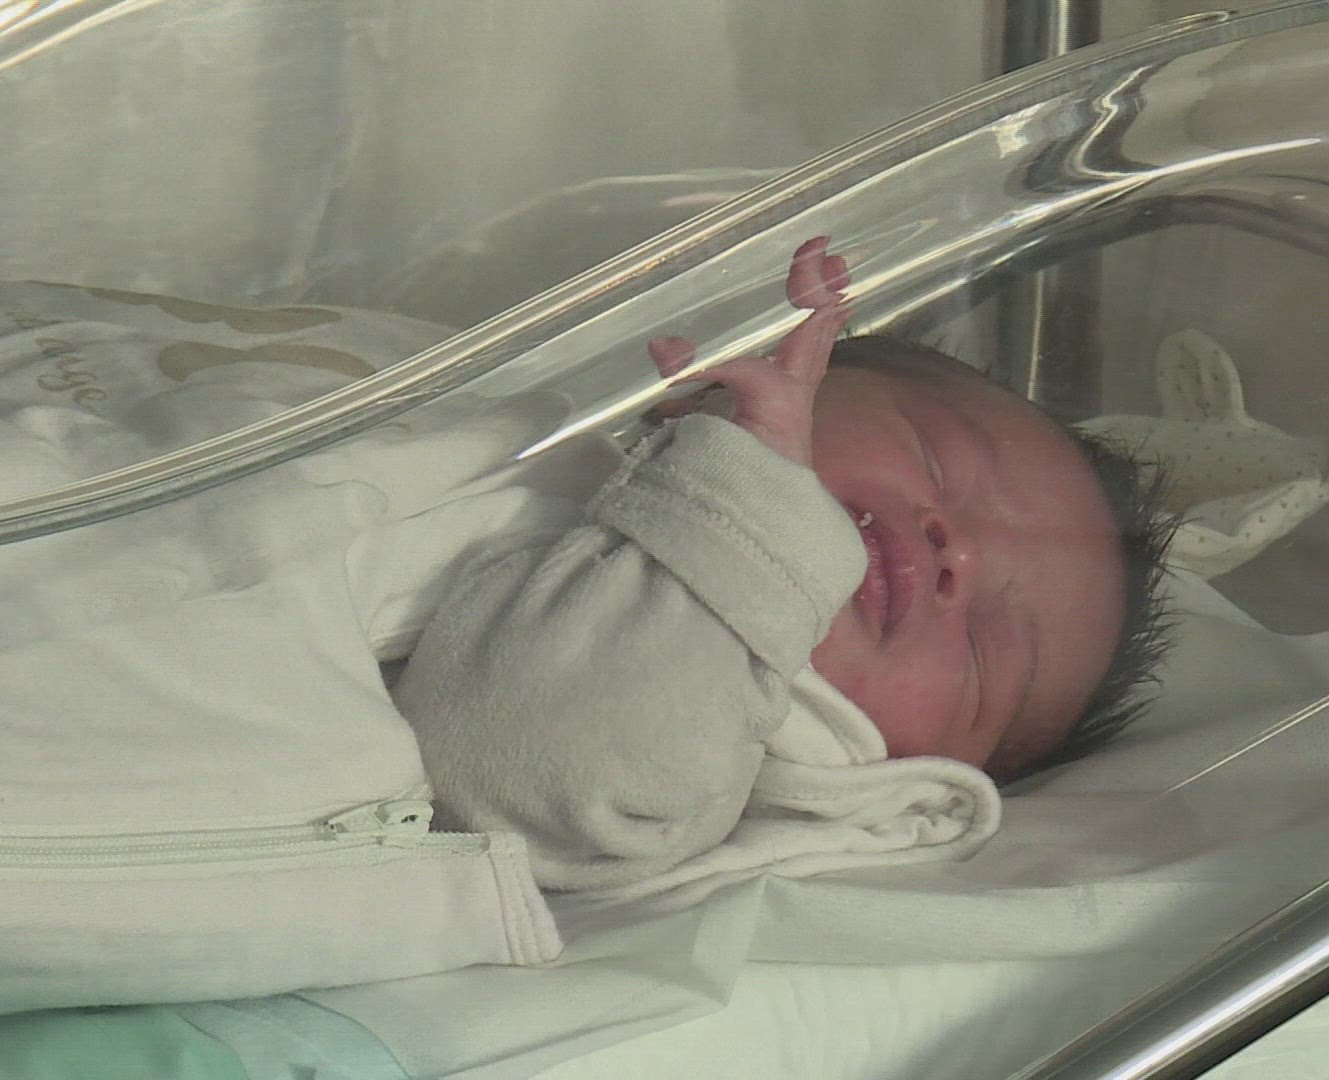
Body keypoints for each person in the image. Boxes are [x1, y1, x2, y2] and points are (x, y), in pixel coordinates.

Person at [396, 237, 1175, 891]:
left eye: (984, 652)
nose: (959, 555)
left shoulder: (703, 778)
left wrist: (748, 506)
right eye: (939, 461)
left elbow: (537, 768)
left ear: (915, 783)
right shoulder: (548, 450)